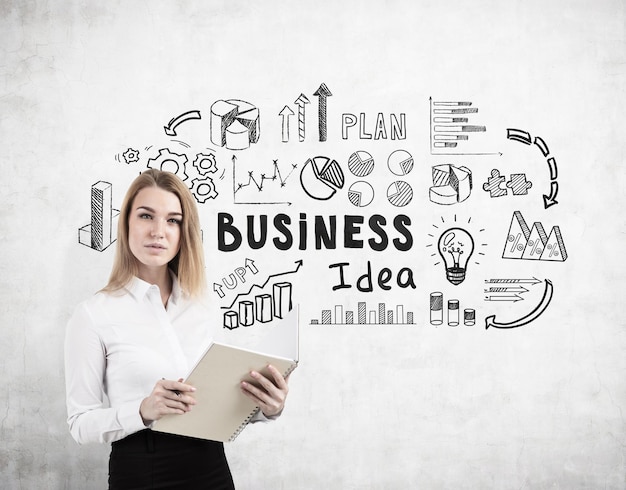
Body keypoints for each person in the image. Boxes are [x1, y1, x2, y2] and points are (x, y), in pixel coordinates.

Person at [65, 169, 290, 489]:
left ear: (184, 231)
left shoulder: (202, 305)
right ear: (126, 221)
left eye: (172, 220)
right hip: (142, 470)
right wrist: (142, 411)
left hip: (211, 466)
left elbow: (214, 401)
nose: (159, 231)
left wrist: (266, 407)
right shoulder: (92, 315)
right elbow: (80, 425)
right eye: (146, 215)